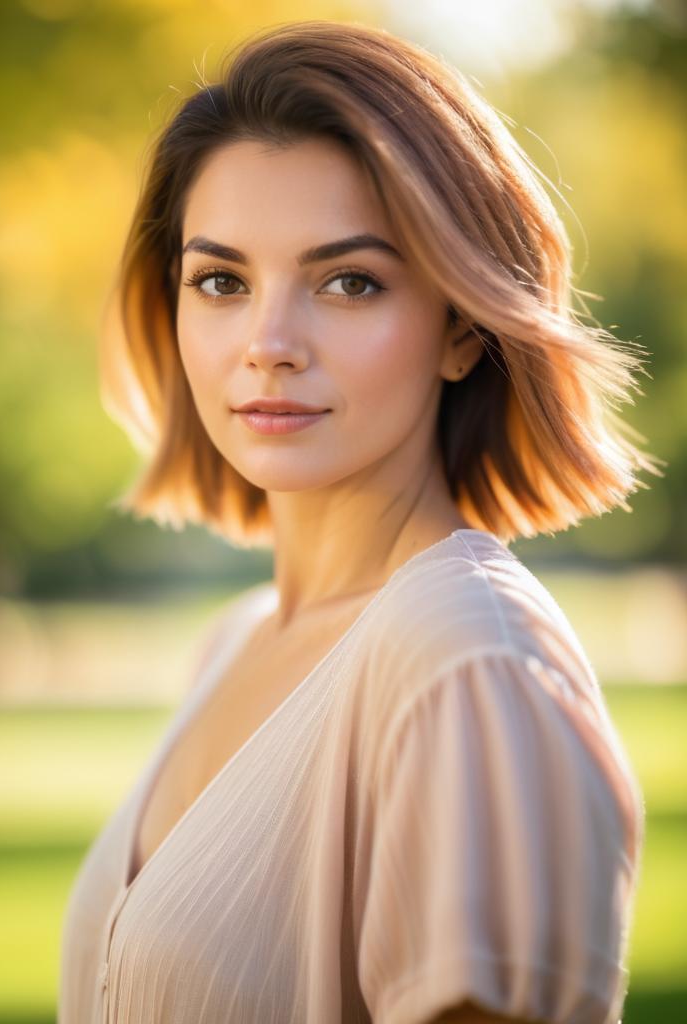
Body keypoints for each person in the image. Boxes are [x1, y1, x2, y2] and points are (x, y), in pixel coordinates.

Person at [58, 20, 660, 1024]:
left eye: (349, 281)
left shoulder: (469, 661)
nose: (270, 342)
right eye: (221, 280)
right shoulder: (238, 639)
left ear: (462, 326)